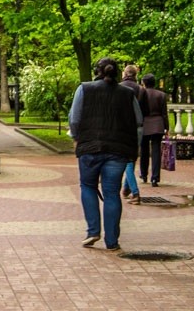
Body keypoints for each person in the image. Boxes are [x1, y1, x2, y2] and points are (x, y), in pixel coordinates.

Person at [68, 57, 143, 251]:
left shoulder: (84, 89)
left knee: (88, 186)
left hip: (89, 148)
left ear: (97, 71)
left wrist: (77, 138)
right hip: (118, 151)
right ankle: (112, 241)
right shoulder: (127, 94)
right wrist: (135, 147)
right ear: (118, 72)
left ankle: (93, 231)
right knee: (112, 193)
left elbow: (74, 119)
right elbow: (138, 123)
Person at [136, 73, 170, 188]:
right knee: (156, 151)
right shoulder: (161, 95)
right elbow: (164, 113)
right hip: (158, 124)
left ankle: (144, 174)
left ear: (144, 83)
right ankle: (155, 178)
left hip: (145, 124)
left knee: (144, 150)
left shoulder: (141, 94)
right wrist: (167, 128)